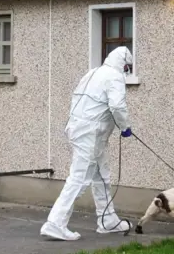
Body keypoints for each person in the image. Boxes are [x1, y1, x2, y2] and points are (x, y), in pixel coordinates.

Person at [40, 46, 134, 241]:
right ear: (123, 65)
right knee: (79, 178)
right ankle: (55, 223)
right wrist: (124, 126)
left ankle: (107, 220)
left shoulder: (93, 72)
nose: (126, 72)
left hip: (81, 130)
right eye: (127, 68)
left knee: (101, 176)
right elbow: (116, 105)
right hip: (91, 133)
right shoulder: (114, 77)